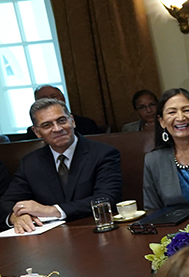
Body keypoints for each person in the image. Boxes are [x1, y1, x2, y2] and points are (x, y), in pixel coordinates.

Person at [0, 98, 122, 233]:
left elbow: (107, 198)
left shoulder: (103, 153)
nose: (57, 129)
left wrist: (51, 210)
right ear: (37, 132)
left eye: (62, 121)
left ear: (72, 121)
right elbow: (7, 202)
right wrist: (16, 217)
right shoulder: (30, 163)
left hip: (95, 230)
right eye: (47, 125)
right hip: (50, 239)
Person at [23, 85, 101, 138]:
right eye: (46, 125)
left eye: (54, 97)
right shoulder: (32, 133)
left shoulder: (86, 123)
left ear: (63, 99)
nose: (57, 129)